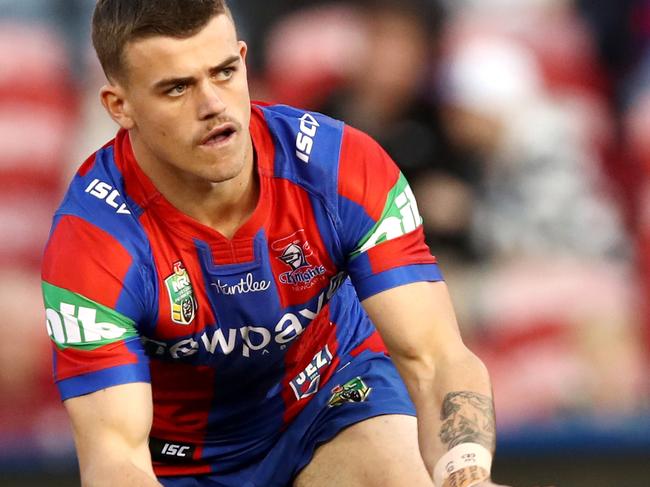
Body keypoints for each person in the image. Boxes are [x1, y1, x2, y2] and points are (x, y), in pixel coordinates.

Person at [41, 1, 507, 486]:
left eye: (224, 72)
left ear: (244, 58)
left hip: (331, 400)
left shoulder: (340, 167)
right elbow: (114, 459)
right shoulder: (93, 243)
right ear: (121, 107)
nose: (213, 105)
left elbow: (435, 359)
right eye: (177, 88)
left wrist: (465, 475)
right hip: (180, 465)